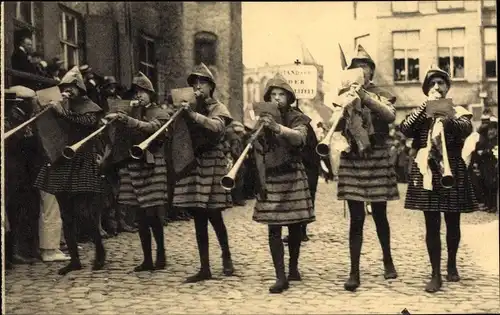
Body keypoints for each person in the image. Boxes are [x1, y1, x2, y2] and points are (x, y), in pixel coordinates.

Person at [400, 65, 478, 293]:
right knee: (431, 224)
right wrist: (427, 107)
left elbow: (465, 129)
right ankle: (435, 273)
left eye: (441, 83)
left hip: (451, 168)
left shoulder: (458, 110)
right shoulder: (421, 112)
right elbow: (405, 129)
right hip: (429, 170)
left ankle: (451, 264)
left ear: (447, 87)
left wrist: (445, 114)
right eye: (432, 84)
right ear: (426, 90)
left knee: (453, 222)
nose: (437, 87)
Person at [336, 45, 399, 291]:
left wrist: (364, 96)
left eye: (365, 67)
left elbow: (390, 115)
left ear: (371, 72)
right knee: (356, 218)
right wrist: (344, 104)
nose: (361, 71)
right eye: (356, 67)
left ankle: (388, 260)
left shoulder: (381, 93)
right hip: (353, 156)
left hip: (376, 155)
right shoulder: (343, 94)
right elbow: (335, 123)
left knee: (380, 215)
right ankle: (354, 270)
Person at [33, 66, 107, 275]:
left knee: (85, 213)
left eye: (71, 88)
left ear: (79, 88)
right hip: (62, 162)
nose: (67, 91)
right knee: (66, 214)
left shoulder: (89, 107)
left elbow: (86, 124)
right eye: (64, 87)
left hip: (82, 161)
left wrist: (62, 113)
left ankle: (100, 251)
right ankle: (75, 259)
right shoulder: (61, 106)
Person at [251, 73, 315, 294]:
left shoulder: (297, 116)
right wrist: (258, 130)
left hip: (292, 174)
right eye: (273, 95)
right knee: (273, 227)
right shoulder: (262, 118)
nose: (277, 98)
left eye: (281, 95)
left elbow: (299, 137)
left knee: (295, 225)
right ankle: (280, 276)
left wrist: (278, 128)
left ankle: (293, 267)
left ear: (289, 98)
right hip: (271, 175)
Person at [171, 63, 235, 283]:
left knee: (214, 215)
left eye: (202, 83)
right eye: (194, 84)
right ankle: (204, 267)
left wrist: (193, 115)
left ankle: (226, 255)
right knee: (198, 216)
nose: (197, 88)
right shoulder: (189, 107)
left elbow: (217, 128)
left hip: (212, 162)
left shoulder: (219, 107)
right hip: (194, 163)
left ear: (211, 86)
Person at [102, 72, 169, 271]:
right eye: (136, 93)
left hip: (153, 164)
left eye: (143, 92)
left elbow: (153, 128)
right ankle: (147, 258)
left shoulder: (160, 112)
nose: (138, 96)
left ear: (151, 94)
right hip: (134, 164)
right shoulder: (131, 113)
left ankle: (161, 254)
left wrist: (128, 121)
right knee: (140, 215)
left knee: (153, 213)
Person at [4, 86, 42, 266]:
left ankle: (24, 249)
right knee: (14, 212)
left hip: (24, 171)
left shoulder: (22, 117)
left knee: (24, 212)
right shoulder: (12, 118)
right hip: (13, 172)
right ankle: (14, 252)